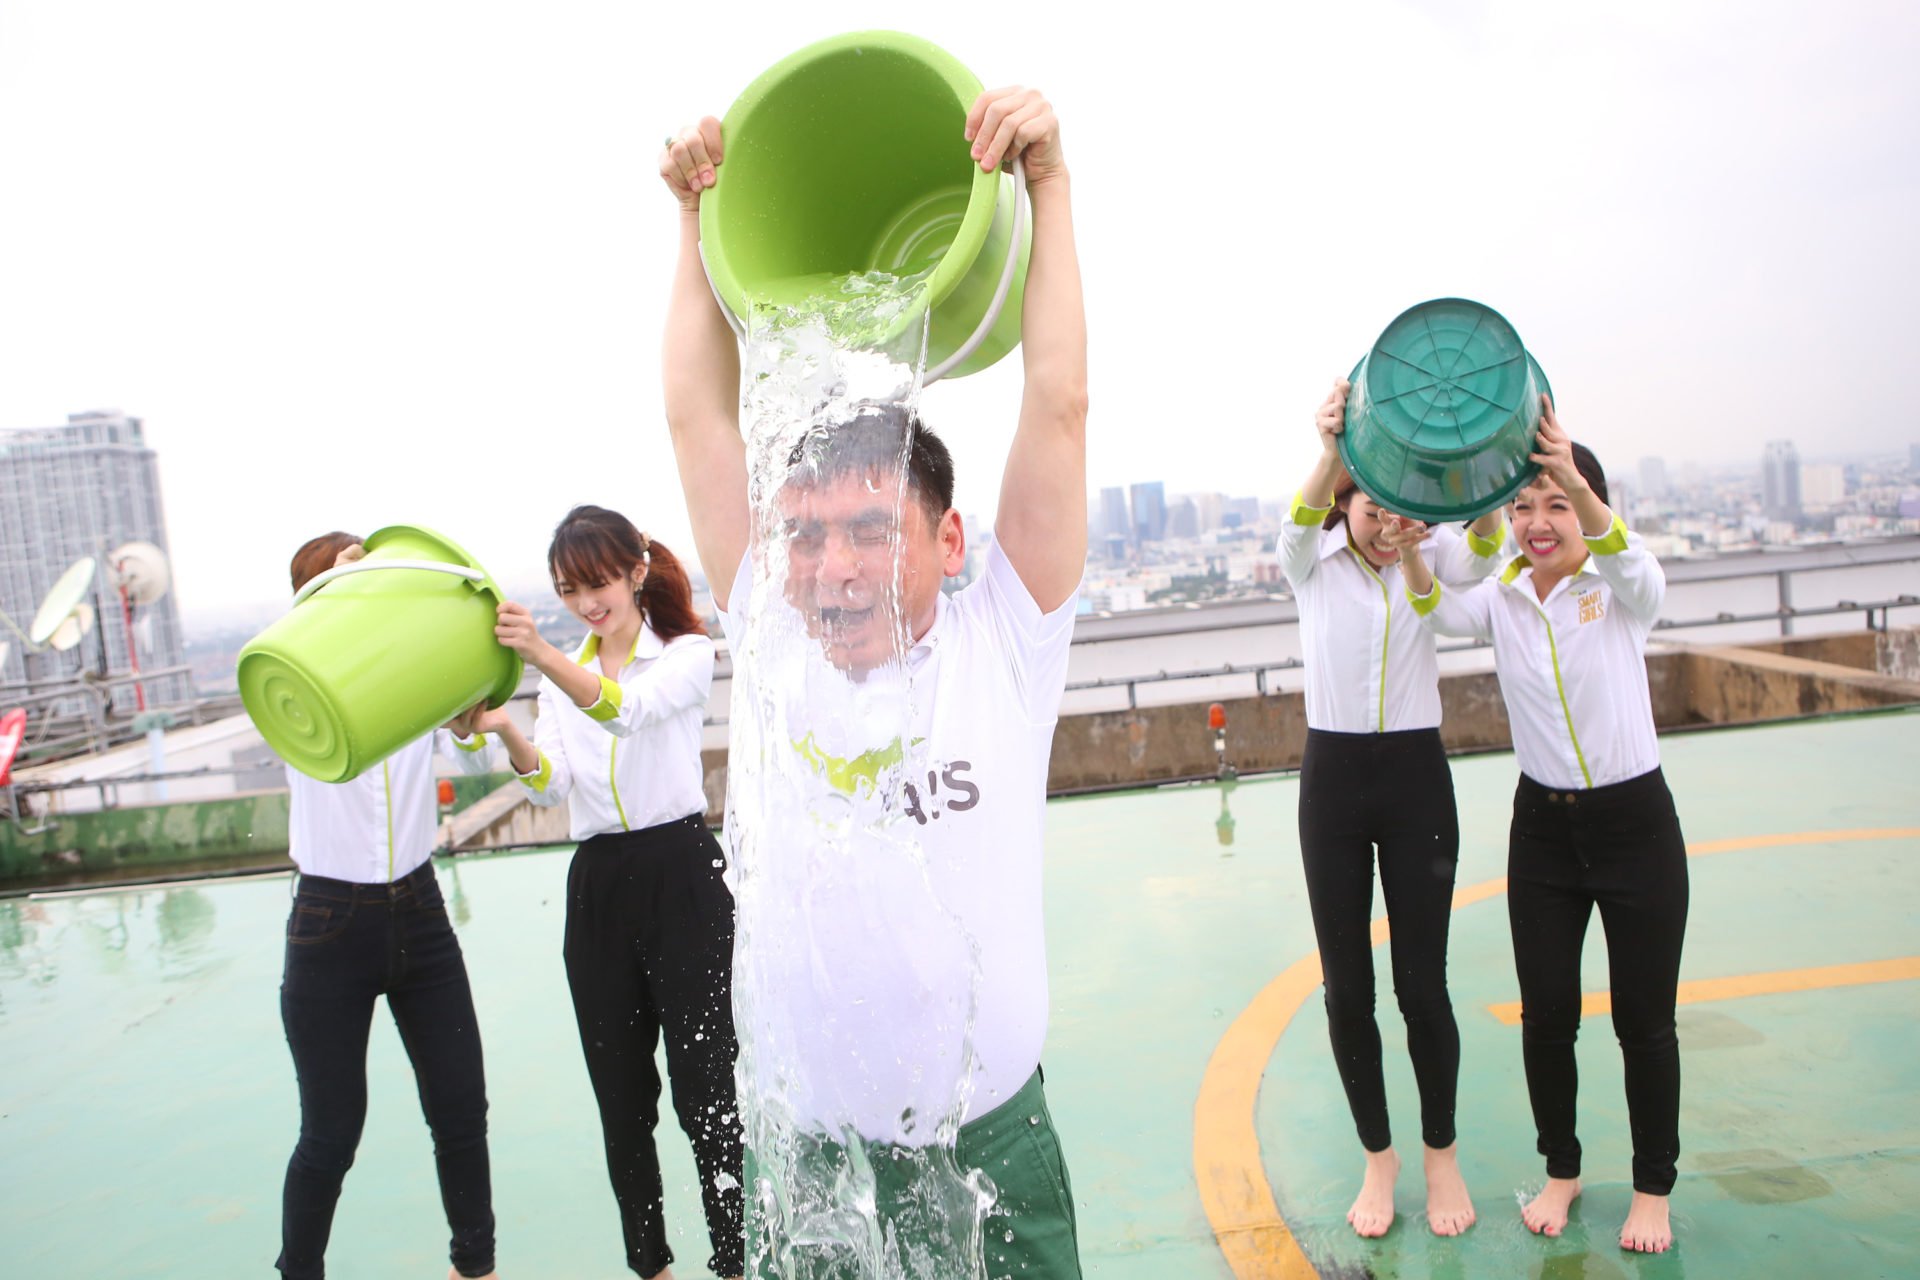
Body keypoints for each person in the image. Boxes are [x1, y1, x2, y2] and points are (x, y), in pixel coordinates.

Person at [658, 83, 1087, 1279]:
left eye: (866, 529)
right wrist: (694, 225)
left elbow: (1057, 401)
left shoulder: (1001, 641)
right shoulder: (773, 636)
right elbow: (699, 417)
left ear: (950, 544)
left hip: (990, 1145)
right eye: (803, 534)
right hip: (816, 1160)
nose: (829, 568)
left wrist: (1049, 186)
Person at [1391, 403, 1689, 1254]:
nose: (1537, 522)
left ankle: (1652, 1185)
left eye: (1554, 503)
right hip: (1545, 835)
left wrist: (1573, 477)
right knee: (1547, 1016)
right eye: (1524, 505)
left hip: (1636, 824)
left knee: (1645, 1020)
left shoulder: (1618, 583)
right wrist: (1415, 547)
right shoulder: (1503, 596)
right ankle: (1562, 1169)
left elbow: (1649, 582)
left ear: (1587, 505)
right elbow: (1437, 615)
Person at [470, 506, 741, 1280]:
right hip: (598, 890)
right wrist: (504, 729)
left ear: (634, 572)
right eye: (569, 589)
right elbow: (553, 785)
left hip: (682, 876)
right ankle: (650, 1265)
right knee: (622, 1100)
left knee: (706, 1092)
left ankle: (736, 1260)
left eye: (597, 583)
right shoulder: (562, 680)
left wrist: (546, 660)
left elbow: (627, 714)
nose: (588, 602)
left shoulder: (685, 654)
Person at [1279, 379, 1506, 1238]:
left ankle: (1440, 1154)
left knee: (1423, 985)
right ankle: (1380, 1158)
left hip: (1416, 777)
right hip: (1332, 777)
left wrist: (1474, 478)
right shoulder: (1315, 560)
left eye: (1395, 509)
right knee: (1348, 990)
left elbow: (1485, 547)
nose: (1383, 525)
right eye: (1368, 509)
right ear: (1347, 504)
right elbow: (1292, 529)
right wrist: (1334, 446)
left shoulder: (1434, 551)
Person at [276, 532, 503, 1280]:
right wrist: (329, 598)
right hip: (329, 921)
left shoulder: (408, 687)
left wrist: (473, 715)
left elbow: (476, 745)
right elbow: (274, 658)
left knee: (461, 1109)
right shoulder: (294, 698)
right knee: (332, 1132)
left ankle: (476, 1267)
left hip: (420, 909)